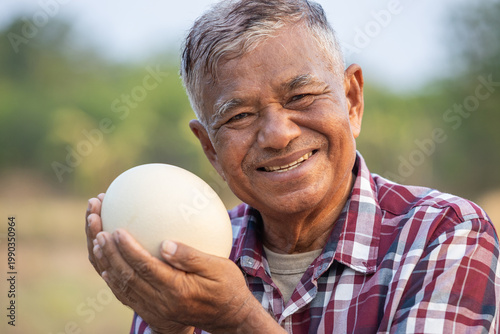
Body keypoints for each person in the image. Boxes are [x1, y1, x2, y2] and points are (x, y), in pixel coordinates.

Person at [85, 0, 500, 333]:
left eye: (300, 96)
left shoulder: (445, 233)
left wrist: (237, 320)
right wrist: (172, 327)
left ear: (352, 100)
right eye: (239, 117)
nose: (278, 134)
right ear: (210, 149)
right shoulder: (184, 252)